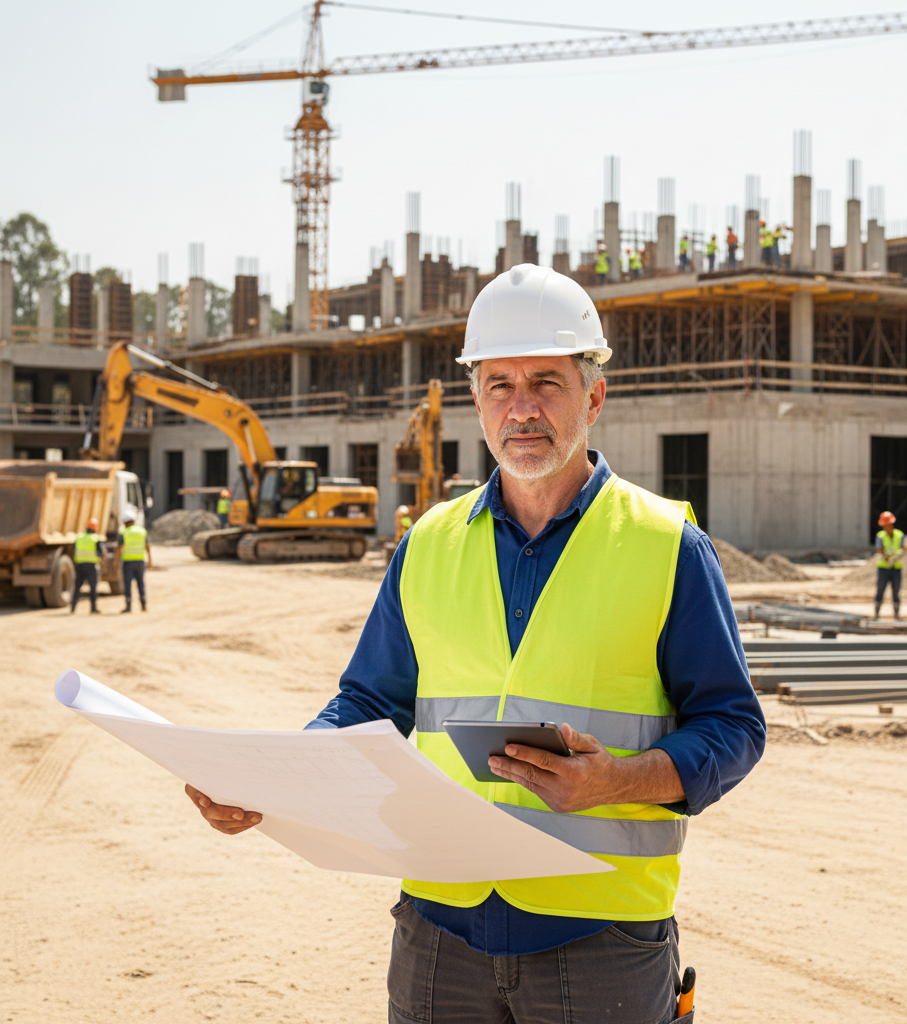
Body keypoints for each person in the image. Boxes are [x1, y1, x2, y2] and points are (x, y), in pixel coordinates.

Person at [185, 264, 765, 1023]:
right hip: (438, 934)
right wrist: (276, 780)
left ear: (594, 395)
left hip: (601, 941)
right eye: (500, 385)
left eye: (546, 383)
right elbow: (368, 701)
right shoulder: (427, 543)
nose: (522, 409)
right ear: (475, 399)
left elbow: (735, 728)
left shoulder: (666, 545)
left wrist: (613, 781)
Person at [117, 506, 152, 613]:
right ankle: (143, 604)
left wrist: (115, 562)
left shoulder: (124, 533)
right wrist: (150, 560)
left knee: (127, 585)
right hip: (140, 562)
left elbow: (119, 548)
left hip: (128, 563)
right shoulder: (142, 531)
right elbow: (147, 546)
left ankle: (128, 606)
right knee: (141, 583)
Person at [874, 511, 906, 619]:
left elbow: (904, 548)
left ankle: (897, 615)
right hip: (884, 567)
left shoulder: (899, 535)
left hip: (896, 567)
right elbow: (879, 549)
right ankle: (877, 614)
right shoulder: (881, 536)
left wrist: (896, 556)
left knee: (896, 592)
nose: (885, 527)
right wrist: (886, 557)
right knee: (880, 590)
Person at [70, 517, 104, 615]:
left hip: (80, 565)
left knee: (77, 587)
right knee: (93, 587)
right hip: (91, 566)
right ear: (95, 528)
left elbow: (73, 550)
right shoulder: (95, 539)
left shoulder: (79, 537)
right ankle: (93, 608)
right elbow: (100, 553)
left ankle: (73, 608)